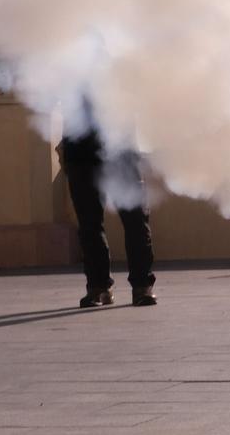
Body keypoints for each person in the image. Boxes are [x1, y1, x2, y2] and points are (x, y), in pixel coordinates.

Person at [59, 109, 157, 307]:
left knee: (135, 219)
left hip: (121, 150)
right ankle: (98, 287)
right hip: (80, 152)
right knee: (89, 224)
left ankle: (142, 286)